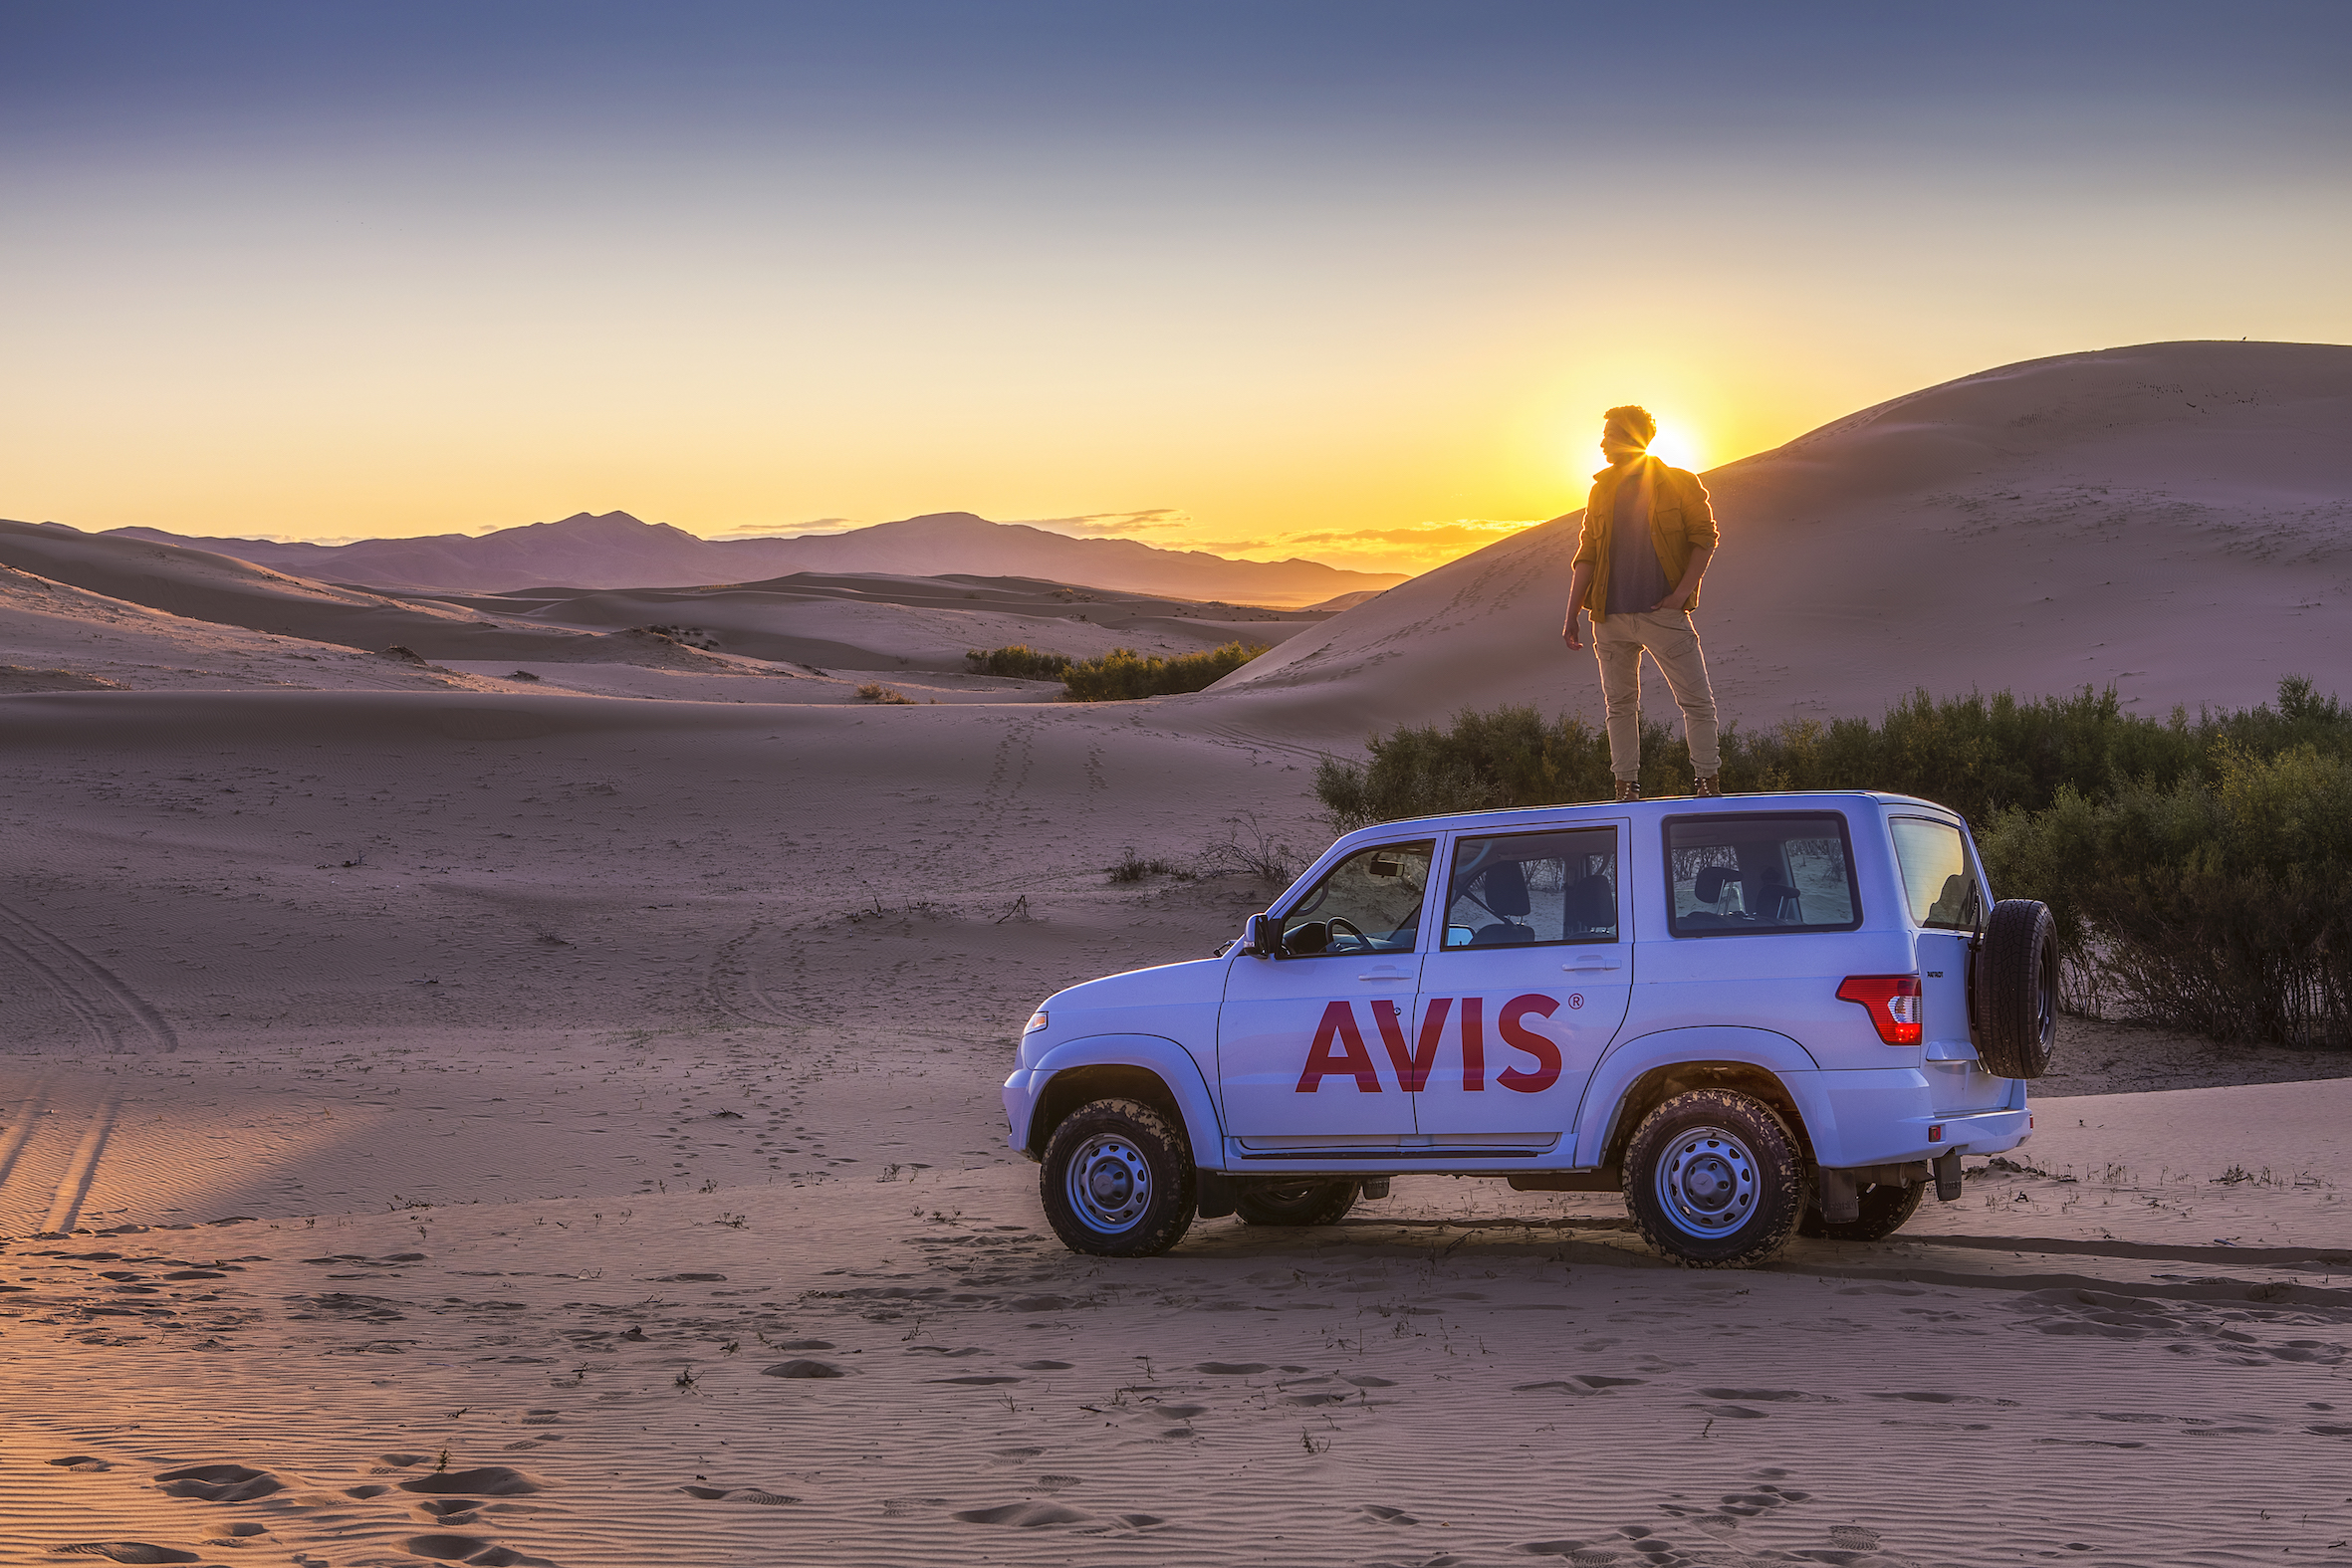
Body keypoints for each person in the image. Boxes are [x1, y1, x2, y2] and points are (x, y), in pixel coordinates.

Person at [1560, 405, 1721, 802]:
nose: (1601, 442)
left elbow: (1705, 538)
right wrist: (1571, 614)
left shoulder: (1680, 483)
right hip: (1609, 617)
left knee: (1696, 702)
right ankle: (1626, 788)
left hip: (1662, 615)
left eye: (1610, 433)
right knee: (1620, 707)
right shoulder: (1601, 489)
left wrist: (1680, 595)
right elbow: (1588, 552)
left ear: (1631, 437)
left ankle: (1707, 783)